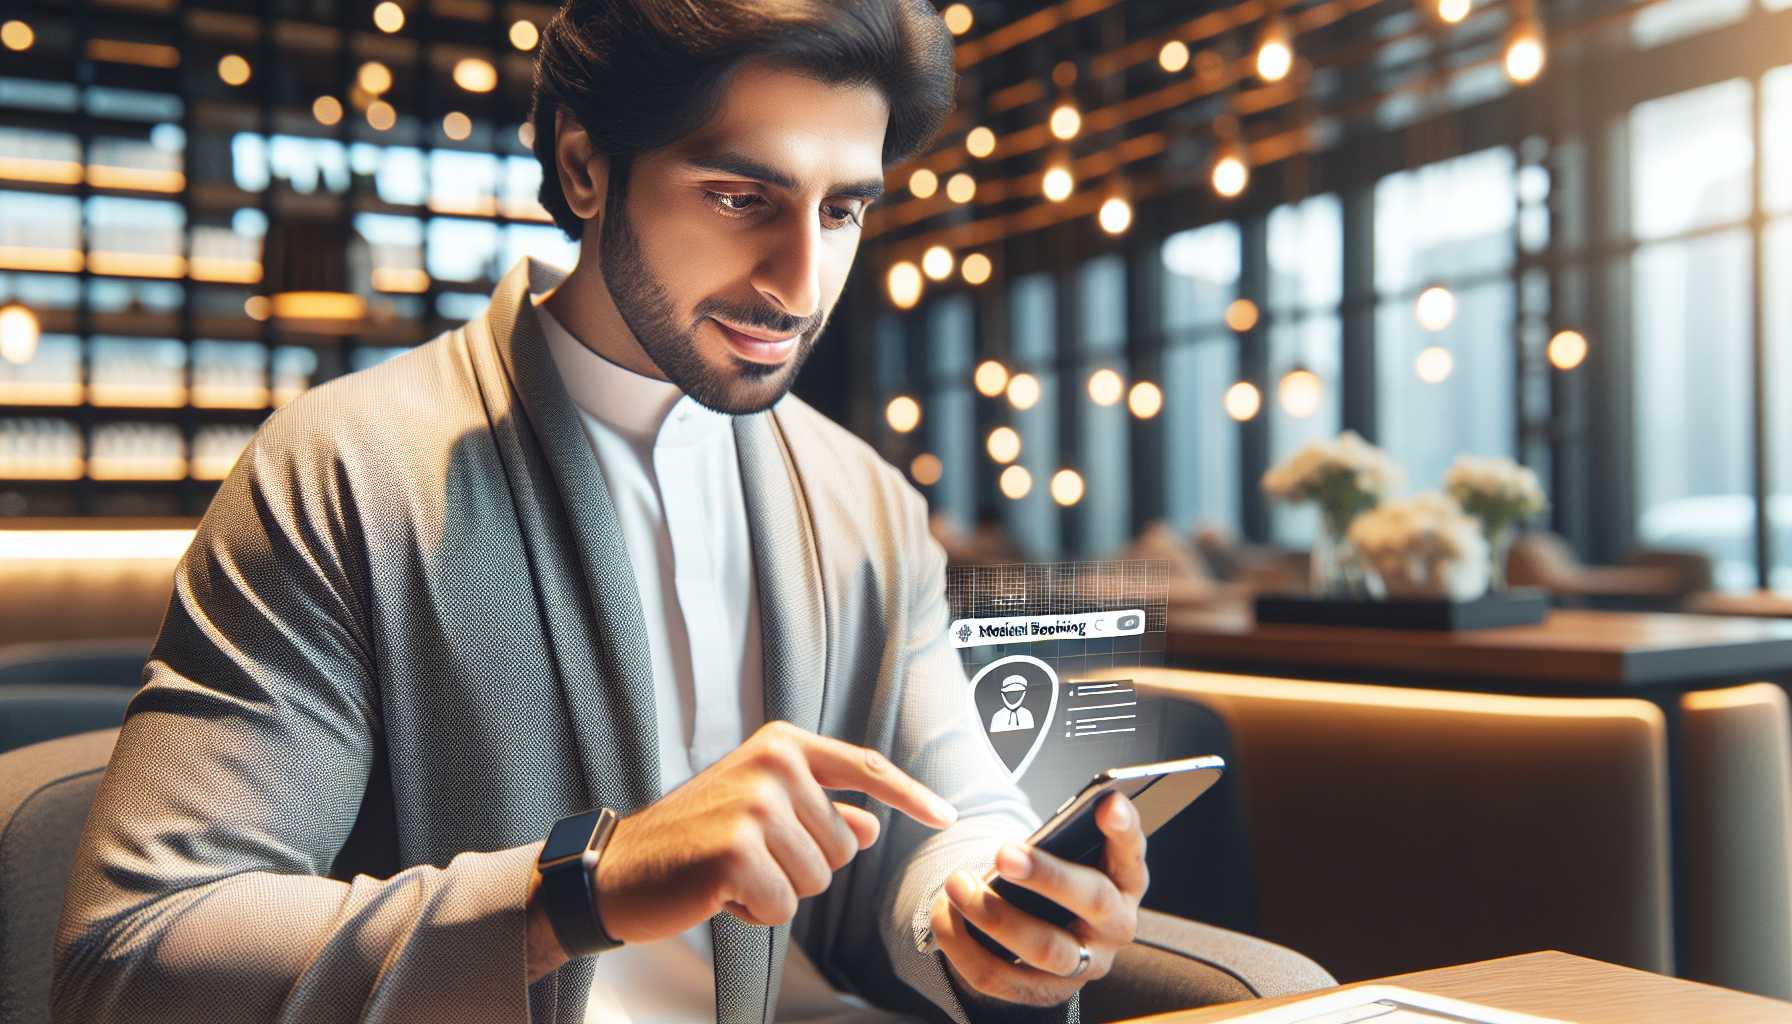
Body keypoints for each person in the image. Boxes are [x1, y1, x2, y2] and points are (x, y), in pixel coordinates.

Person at [52, 2, 1156, 1022]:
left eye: (843, 209)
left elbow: (950, 811)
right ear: (585, 168)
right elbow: (133, 949)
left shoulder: (863, 499)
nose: (801, 281)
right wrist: (584, 885)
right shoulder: (344, 465)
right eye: (740, 198)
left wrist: (988, 902)